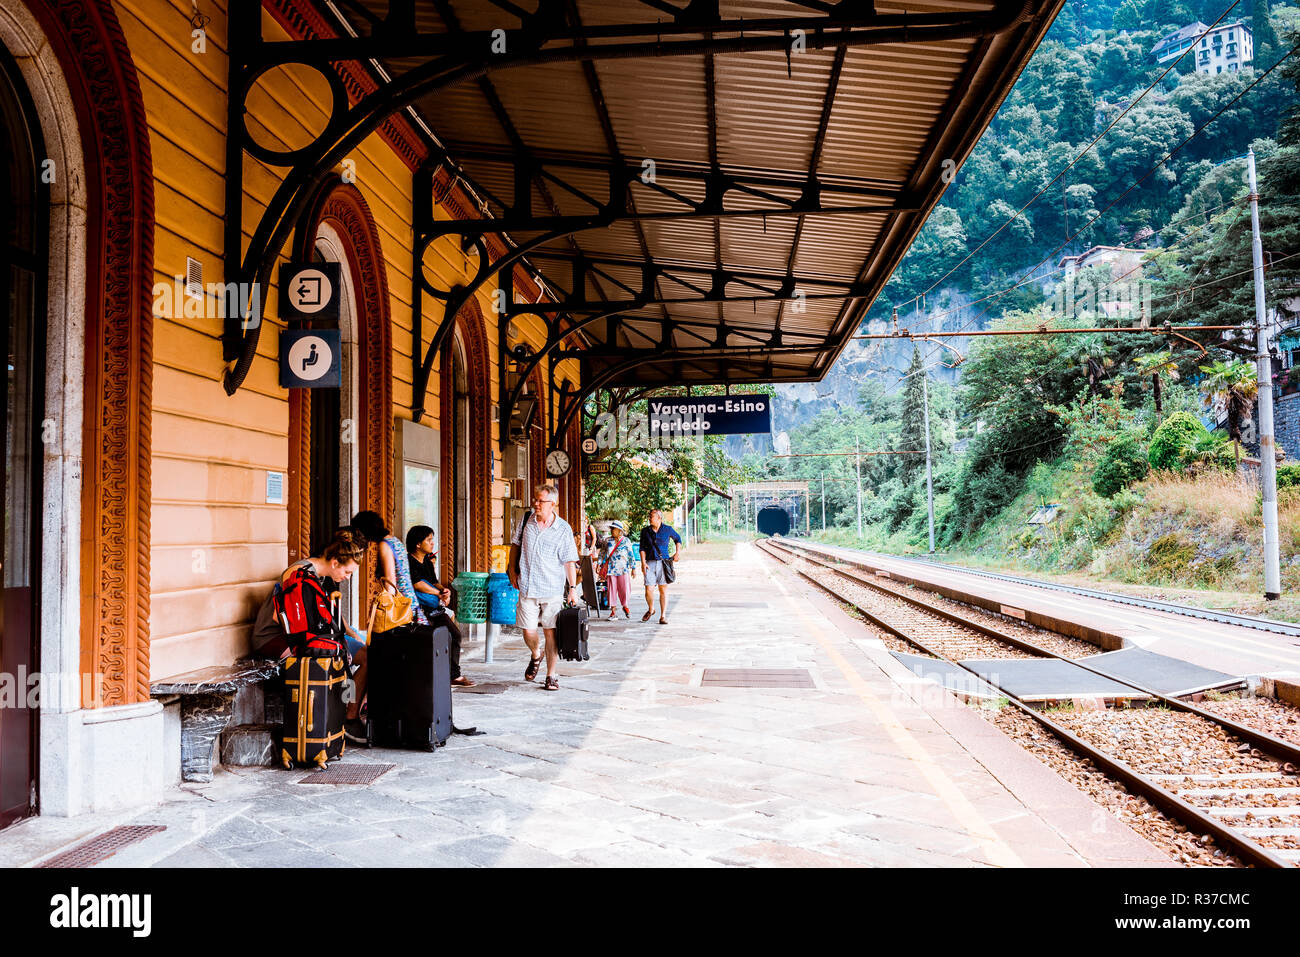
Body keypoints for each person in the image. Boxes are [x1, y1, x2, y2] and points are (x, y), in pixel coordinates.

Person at [251, 527, 371, 743]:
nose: (348, 577)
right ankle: (330, 722)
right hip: (276, 637)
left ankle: (349, 716)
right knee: (329, 661)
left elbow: (327, 615)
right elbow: (284, 620)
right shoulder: (298, 573)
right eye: (348, 572)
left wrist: (349, 637)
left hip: (311, 636)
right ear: (335, 562)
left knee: (365, 655)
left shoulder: (322, 576)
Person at [508, 484, 579, 692]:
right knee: (528, 631)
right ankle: (535, 655)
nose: (536, 504)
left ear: (552, 504)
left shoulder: (563, 529)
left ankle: (551, 675)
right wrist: (512, 570)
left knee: (551, 633)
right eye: (535, 500)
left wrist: (573, 588)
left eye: (540, 501)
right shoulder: (525, 521)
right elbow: (515, 545)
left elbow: (569, 562)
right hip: (528, 586)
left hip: (552, 588)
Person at [406, 524, 475, 687]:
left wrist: (445, 591)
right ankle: (449, 675)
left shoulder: (427, 561)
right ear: (417, 544)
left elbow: (434, 582)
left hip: (434, 607)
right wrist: (438, 594)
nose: (432, 543)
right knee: (449, 636)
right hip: (419, 609)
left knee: (453, 634)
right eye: (428, 540)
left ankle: (450, 673)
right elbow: (417, 584)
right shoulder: (409, 561)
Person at [639, 508, 684, 624]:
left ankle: (663, 616)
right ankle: (651, 609)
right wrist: (643, 563)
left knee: (663, 590)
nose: (649, 519)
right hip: (649, 563)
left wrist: (678, 552)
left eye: (652, 517)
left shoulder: (667, 529)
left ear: (659, 518)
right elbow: (642, 548)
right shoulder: (645, 531)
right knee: (648, 589)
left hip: (663, 563)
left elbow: (678, 539)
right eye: (649, 517)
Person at [602, 521, 637, 619]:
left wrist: (633, 568)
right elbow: (602, 553)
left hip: (623, 569)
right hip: (611, 569)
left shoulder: (626, 541)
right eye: (611, 528)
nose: (612, 530)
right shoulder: (608, 541)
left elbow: (631, 555)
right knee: (611, 591)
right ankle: (613, 611)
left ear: (619, 530)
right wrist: (600, 564)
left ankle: (625, 606)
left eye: (614, 529)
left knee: (624, 589)